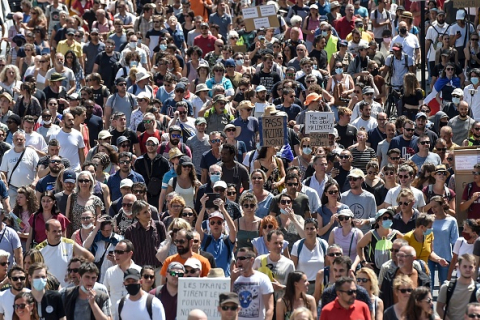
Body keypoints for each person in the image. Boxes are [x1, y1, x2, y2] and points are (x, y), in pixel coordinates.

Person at [36, 220, 94, 287]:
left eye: (59, 231)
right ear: (47, 232)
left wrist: (77, 273)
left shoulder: (69, 244)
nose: (58, 234)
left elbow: (90, 257)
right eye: (54, 231)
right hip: (50, 290)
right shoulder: (39, 249)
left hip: (68, 289)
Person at [379, 245, 430, 310]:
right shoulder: (389, 276)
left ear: (413, 258)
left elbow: (427, 302)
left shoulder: (423, 279)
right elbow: (383, 298)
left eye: (403, 256)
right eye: (398, 255)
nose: (399, 258)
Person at [232, 247, 274, 320]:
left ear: (251, 260)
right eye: (237, 258)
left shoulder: (263, 278)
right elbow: (226, 302)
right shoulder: (234, 279)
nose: (238, 261)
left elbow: (270, 308)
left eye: (242, 258)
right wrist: (232, 280)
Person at [356, 209, 402, 274]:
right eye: (385, 218)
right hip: (375, 271)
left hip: (392, 271)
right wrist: (364, 262)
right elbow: (359, 246)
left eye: (390, 218)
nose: (388, 220)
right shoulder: (371, 234)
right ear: (378, 221)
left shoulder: (396, 234)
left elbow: (407, 245)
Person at [437, 253, 479, 320]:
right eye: (464, 266)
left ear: (475, 267)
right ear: (459, 267)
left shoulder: (478, 290)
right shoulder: (447, 287)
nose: (467, 269)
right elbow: (439, 308)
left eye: (470, 267)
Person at [340, 169, 377, 235]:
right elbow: (340, 217)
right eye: (350, 179)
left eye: (354, 179)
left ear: (362, 180)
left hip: (365, 234)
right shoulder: (343, 196)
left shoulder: (370, 197)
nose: (352, 181)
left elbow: (375, 218)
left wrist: (366, 221)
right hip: (348, 234)